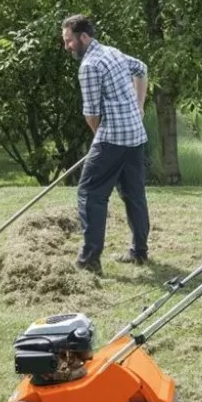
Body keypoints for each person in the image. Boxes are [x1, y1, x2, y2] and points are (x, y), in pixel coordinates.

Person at [61, 14, 150, 274]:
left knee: (90, 195)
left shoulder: (89, 65)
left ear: (84, 37)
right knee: (134, 195)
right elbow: (142, 68)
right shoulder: (112, 53)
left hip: (113, 138)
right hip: (135, 137)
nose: (67, 46)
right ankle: (140, 252)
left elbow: (91, 113)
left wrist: (100, 138)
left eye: (69, 41)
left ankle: (89, 260)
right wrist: (139, 107)